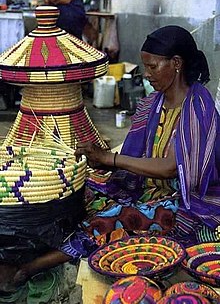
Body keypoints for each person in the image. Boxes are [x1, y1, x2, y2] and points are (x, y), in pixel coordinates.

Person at [2, 25, 220, 292]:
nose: (146, 74)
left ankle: (27, 269)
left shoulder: (197, 106)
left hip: (189, 201)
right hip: (147, 189)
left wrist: (110, 159)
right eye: (145, 66)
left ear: (176, 63)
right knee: (86, 187)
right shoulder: (154, 103)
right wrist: (101, 161)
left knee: (113, 219)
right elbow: (135, 157)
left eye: (152, 67)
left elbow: (170, 168)